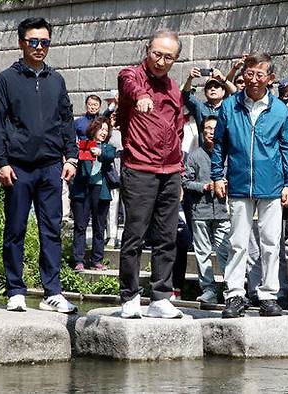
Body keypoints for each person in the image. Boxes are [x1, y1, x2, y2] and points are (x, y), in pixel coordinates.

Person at [0, 17, 78, 313]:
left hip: (51, 165)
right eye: (34, 41)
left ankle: (52, 291)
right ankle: (15, 290)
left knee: (51, 228)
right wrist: (0, 161)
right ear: (21, 43)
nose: (40, 47)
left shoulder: (56, 80)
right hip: (18, 166)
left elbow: (66, 119)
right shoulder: (6, 79)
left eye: (45, 42)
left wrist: (72, 156)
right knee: (15, 228)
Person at [211, 52, 288, 318]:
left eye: (260, 74)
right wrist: (217, 175)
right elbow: (219, 145)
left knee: (272, 242)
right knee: (238, 242)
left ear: (270, 78)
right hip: (237, 182)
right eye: (249, 74)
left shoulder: (281, 110)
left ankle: (269, 295)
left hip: (272, 183)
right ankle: (235, 294)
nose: (254, 80)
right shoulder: (229, 106)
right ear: (242, 75)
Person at [117, 30, 184, 319]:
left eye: (168, 57)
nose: (161, 61)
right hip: (139, 168)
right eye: (157, 53)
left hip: (170, 170)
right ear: (147, 50)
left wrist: (179, 168)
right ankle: (130, 295)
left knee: (168, 236)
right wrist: (142, 96)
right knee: (135, 234)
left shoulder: (173, 88)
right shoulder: (131, 75)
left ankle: (160, 295)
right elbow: (128, 83)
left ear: (175, 59)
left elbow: (179, 128)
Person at [182, 115, 230, 304]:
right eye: (207, 129)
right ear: (202, 132)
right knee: (202, 253)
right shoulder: (194, 156)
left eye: (214, 129)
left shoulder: (227, 154)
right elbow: (185, 182)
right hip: (200, 211)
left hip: (222, 211)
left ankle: (230, 289)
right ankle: (208, 289)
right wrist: (203, 186)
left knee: (225, 250)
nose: (211, 132)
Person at [70, 117, 116, 271]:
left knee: (99, 226)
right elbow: (75, 157)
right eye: (101, 129)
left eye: (106, 130)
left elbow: (109, 156)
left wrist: (100, 152)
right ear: (94, 129)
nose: (103, 132)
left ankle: (97, 260)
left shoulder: (108, 148)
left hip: (100, 190)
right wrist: (82, 150)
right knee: (80, 226)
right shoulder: (82, 144)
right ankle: (78, 260)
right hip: (82, 190)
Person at [104, 110, 122, 248]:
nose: (114, 119)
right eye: (112, 117)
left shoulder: (128, 129)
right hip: (112, 172)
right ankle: (112, 236)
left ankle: (129, 235)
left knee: (129, 207)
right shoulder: (107, 133)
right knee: (113, 204)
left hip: (128, 170)